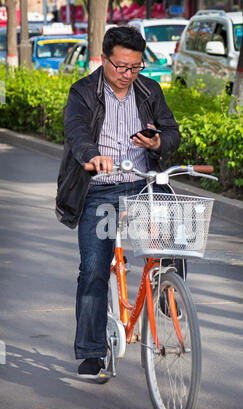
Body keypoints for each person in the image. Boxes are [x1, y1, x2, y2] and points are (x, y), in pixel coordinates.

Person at [55, 26, 181, 379]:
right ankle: (92, 352)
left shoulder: (149, 90)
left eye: (135, 67)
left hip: (142, 187)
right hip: (100, 190)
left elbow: (172, 132)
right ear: (105, 59)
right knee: (94, 268)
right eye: (121, 67)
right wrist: (92, 155)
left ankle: (169, 292)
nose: (127, 74)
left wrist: (158, 144)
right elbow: (77, 132)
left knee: (177, 233)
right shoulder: (83, 92)